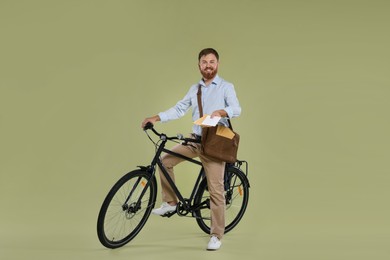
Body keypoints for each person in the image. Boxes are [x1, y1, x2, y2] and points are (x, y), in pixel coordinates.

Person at [141, 48, 241, 250]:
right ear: (199, 65)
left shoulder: (225, 87)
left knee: (216, 190)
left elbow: (237, 109)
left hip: (214, 144)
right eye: (204, 62)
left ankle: (216, 234)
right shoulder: (195, 89)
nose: (208, 65)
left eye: (212, 61)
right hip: (195, 140)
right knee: (165, 161)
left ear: (218, 64)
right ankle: (170, 203)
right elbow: (179, 109)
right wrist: (156, 117)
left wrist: (223, 111)